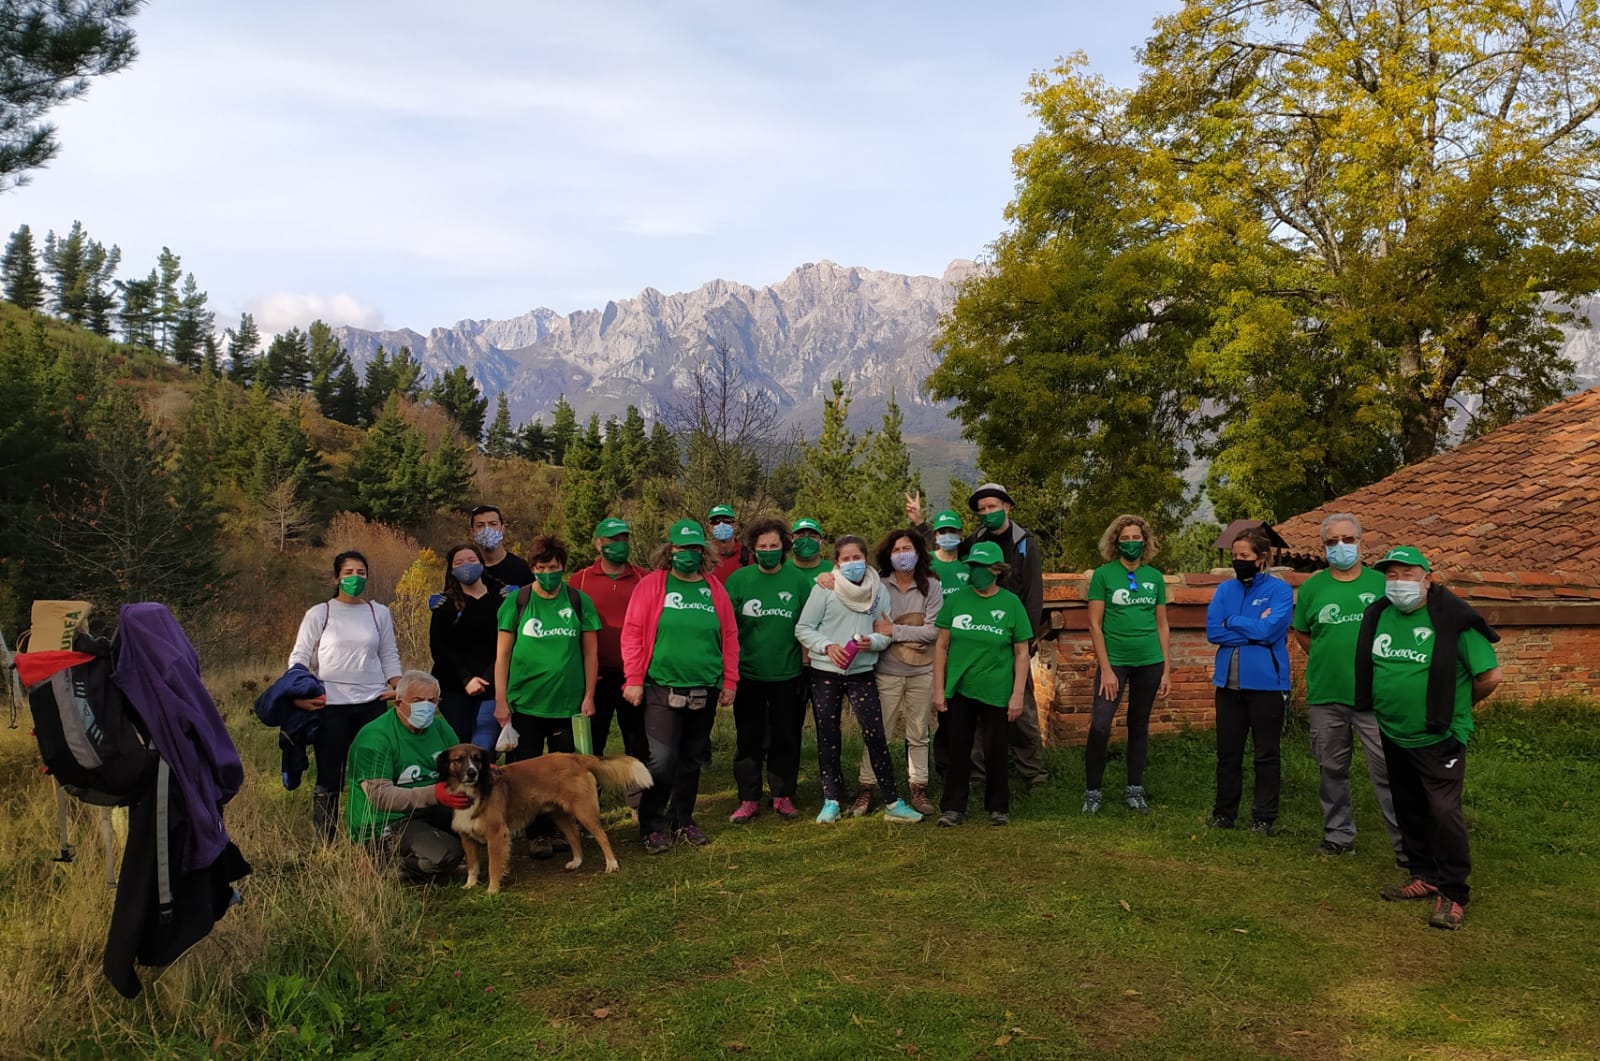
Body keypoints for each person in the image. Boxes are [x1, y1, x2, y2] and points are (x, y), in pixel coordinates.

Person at [1357, 546, 1501, 931]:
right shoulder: (1380, 616)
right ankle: (1423, 874)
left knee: (1442, 811)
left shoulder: (1453, 621)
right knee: (1408, 806)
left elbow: (1489, 676)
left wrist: (1457, 707)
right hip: (1392, 731)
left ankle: (1453, 892)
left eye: (1406, 574)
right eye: (1391, 575)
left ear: (1427, 578)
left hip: (1439, 737)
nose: (1398, 582)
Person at [907, 485, 1048, 790]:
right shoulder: (978, 540)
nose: (986, 513)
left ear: (1007, 506)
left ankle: (1032, 772)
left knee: (1020, 707)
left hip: (1012, 634)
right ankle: (979, 774)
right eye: (981, 509)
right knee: (979, 711)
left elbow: (1034, 594)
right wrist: (921, 525)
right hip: (977, 635)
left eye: (992, 506)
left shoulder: (1024, 543)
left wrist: (1026, 638)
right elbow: (950, 552)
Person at [621, 519, 740, 853]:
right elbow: (631, 633)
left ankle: (682, 819)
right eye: (680, 548)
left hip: (705, 684)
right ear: (669, 551)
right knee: (662, 759)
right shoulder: (653, 585)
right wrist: (633, 679)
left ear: (703, 552)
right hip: (661, 685)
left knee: (692, 757)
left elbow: (729, 636)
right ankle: (651, 823)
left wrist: (730, 680)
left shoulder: (714, 588)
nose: (687, 554)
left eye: (693, 548)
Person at [1291, 513, 1404, 861]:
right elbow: (1303, 633)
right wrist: (1331, 655)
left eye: (1347, 539)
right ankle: (1338, 836)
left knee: (1388, 771)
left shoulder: (1380, 584)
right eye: (1332, 541)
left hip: (1374, 696)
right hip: (1327, 694)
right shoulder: (1312, 587)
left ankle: (1407, 846)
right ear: (1323, 546)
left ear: (1360, 541)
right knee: (1330, 770)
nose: (1340, 546)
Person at [795, 535, 923, 824]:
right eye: (846, 559)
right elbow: (803, 628)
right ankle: (831, 800)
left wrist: (871, 642)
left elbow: (885, 632)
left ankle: (892, 800)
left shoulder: (878, 591)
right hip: (825, 672)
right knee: (828, 736)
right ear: (837, 562)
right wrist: (827, 646)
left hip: (862, 673)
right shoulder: (824, 588)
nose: (852, 563)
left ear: (866, 559)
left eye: (857, 557)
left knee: (875, 736)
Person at [494, 535, 601, 857]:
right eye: (541, 568)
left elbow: (590, 655)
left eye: (553, 568)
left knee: (566, 774)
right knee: (525, 773)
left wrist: (589, 695)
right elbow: (502, 656)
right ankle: (536, 833)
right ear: (532, 568)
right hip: (525, 702)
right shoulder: (517, 602)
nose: (547, 573)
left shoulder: (578, 601)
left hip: (567, 705)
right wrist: (501, 701)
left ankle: (565, 829)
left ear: (562, 567)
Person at [288, 550, 403, 842]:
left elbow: (389, 654)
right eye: (348, 572)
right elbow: (299, 658)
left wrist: (399, 688)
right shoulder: (320, 613)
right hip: (331, 706)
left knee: (377, 773)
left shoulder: (379, 613)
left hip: (373, 704)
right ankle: (325, 841)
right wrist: (298, 696)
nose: (355, 578)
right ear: (337, 577)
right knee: (330, 776)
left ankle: (375, 834)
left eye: (361, 572)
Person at [933, 542, 1033, 826]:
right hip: (960, 688)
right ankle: (953, 807)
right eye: (972, 567)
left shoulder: (1011, 604)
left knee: (997, 750)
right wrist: (939, 688)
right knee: (957, 749)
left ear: (997, 571)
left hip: (997, 690)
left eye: (981, 568)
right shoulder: (957, 600)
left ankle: (998, 807)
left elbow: (1021, 652)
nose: (975, 572)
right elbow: (941, 646)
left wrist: (1017, 695)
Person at [1205, 525, 1294, 834]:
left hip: (1267, 685)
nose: (1238, 560)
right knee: (1228, 753)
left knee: (1266, 754)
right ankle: (1223, 814)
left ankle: (1264, 817)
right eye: (1235, 555)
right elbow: (1213, 631)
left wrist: (1236, 621)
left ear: (1261, 558)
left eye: (1244, 555)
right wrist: (1252, 627)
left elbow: (1270, 631)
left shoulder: (1279, 590)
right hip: (1228, 685)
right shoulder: (1225, 590)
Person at [723, 518, 814, 822]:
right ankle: (748, 797)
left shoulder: (799, 582)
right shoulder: (738, 581)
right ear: (753, 549)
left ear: (784, 547)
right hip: (748, 674)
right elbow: (727, 629)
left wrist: (805, 666)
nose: (768, 551)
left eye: (774, 546)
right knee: (748, 739)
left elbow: (808, 626)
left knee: (785, 737)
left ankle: (782, 794)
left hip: (788, 675)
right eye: (762, 547)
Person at [344, 669, 470, 883]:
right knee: (447, 855)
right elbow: (381, 797)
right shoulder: (374, 738)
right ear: (398, 703)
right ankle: (384, 864)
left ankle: (437, 849)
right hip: (387, 821)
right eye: (418, 700)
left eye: (432, 701)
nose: (426, 707)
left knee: (479, 817)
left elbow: (460, 765)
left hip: (428, 810)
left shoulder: (440, 727)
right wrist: (435, 794)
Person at [1083, 515, 1171, 815]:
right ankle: (1092, 792)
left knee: (1139, 725)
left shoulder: (1155, 578)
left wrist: (1167, 671)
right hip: (1115, 662)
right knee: (1100, 725)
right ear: (1115, 542)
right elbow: (1095, 625)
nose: (1131, 543)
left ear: (1145, 542)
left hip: (1150, 662)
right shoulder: (1104, 575)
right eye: (1125, 538)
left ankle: (1135, 789)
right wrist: (1106, 669)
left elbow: (1162, 626)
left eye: (1136, 538)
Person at [855, 528, 941, 817]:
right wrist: (908, 634)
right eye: (896, 550)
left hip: (922, 671)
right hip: (887, 669)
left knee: (919, 731)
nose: (902, 555)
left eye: (908, 549)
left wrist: (895, 631)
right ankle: (866, 787)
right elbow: (872, 625)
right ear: (887, 555)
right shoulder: (878, 585)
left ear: (919, 552)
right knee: (879, 731)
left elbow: (933, 631)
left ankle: (919, 787)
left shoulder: (931, 584)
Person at [569, 517, 650, 778]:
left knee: (638, 742)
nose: (620, 545)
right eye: (613, 540)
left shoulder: (644, 579)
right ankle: (590, 796)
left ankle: (638, 800)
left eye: (624, 539)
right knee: (591, 744)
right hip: (594, 676)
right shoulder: (579, 581)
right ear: (598, 544)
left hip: (634, 676)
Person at [429, 543, 504, 752]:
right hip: (454, 686)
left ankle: (488, 783)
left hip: (493, 685)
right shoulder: (444, 604)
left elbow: (507, 643)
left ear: (481, 563)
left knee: (484, 744)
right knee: (460, 744)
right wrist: (466, 678)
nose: (466, 566)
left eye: (471, 560)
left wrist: (487, 678)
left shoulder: (502, 598)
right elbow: (440, 648)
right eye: (459, 562)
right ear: (452, 570)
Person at [470, 504, 534, 588]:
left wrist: (519, 595)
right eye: (480, 525)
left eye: (493, 524)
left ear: (503, 529)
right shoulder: (467, 570)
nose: (487, 529)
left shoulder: (521, 567)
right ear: (472, 533)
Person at [927, 509, 970, 606]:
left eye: (952, 531)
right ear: (935, 535)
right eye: (942, 531)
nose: (947, 535)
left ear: (960, 533)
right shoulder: (926, 561)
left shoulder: (969, 563)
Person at [707, 504, 750, 583]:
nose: (721, 524)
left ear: (735, 526)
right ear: (710, 528)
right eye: (716, 522)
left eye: (726, 521)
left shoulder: (748, 555)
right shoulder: (704, 557)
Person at [788, 516, 828, 586]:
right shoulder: (781, 570)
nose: (806, 540)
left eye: (812, 536)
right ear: (792, 541)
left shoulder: (832, 570)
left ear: (821, 542)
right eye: (800, 536)